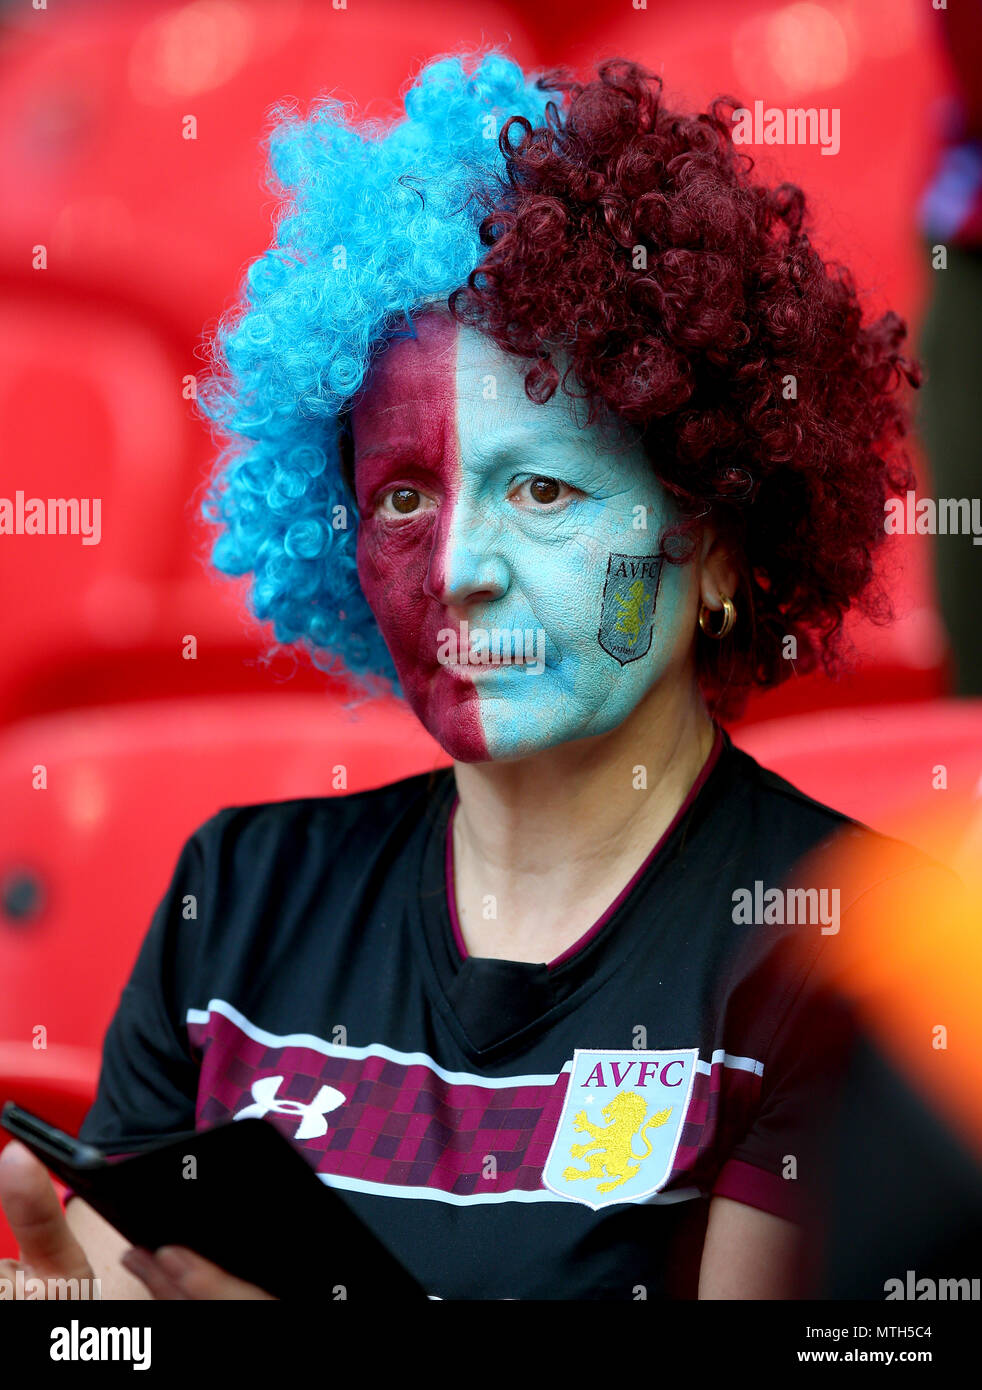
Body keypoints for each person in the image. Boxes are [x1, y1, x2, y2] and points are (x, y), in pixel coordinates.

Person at [0, 51, 939, 1301]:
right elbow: (123, 1319)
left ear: (712, 532)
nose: (455, 569)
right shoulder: (235, 892)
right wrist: (69, 1332)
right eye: (402, 497)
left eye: (542, 489)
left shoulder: (848, 948)